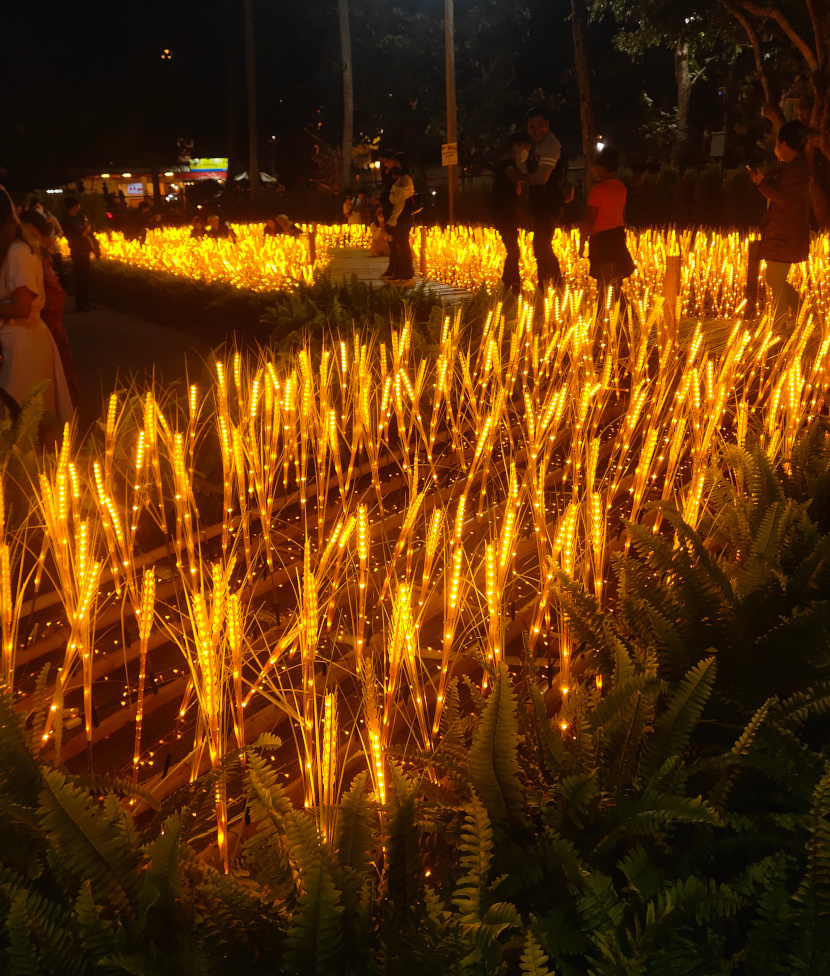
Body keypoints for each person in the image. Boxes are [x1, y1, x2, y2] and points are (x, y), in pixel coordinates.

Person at [0, 187, 73, 427]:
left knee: (29, 422)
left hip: (23, 344)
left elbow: (21, 308)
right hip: (23, 340)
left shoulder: (17, 251)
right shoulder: (15, 250)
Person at [749, 120, 811, 328]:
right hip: (783, 234)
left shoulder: (797, 170)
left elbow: (784, 199)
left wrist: (762, 183)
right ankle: (799, 313)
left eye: (778, 142)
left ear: (784, 144)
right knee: (774, 279)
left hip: (786, 235)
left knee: (774, 279)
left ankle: (781, 326)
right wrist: (764, 181)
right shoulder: (794, 167)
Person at [20, 211, 80, 407]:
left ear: (45, 239)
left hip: (48, 327)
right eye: (26, 235)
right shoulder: (25, 259)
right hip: (36, 330)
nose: (31, 241)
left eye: (35, 236)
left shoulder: (38, 261)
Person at [579, 146, 635, 318]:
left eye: (596, 165)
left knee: (605, 282)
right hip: (617, 236)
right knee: (614, 280)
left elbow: (590, 218)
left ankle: (603, 319)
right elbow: (622, 212)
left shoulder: (598, 190)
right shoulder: (621, 187)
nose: (595, 169)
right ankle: (627, 316)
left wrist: (582, 242)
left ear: (602, 167)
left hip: (602, 240)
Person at [525, 107, 565, 291]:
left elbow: (541, 178)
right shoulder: (535, 145)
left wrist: (521, 178)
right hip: (540, 204)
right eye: (532, 127)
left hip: (548, 204)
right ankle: (552, 285)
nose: (536, 130)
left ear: (547, 125)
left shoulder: (550, 144)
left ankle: (549, 286)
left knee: (542, 246)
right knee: (542, 246)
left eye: (540, 125)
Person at [491, 133, 532, 295]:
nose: (525, 152)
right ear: (515, 145)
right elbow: (510, 196)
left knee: (513, 251)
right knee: (514, 251)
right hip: (504, 215)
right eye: (525, 148)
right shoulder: (507, 166)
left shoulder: (508, 165)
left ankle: (509, 286)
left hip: (505, 215)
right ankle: (510, 287)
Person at [382, 153, 415, 286]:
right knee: (399, 245)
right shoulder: (400, 178)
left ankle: (408, 275)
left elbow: (400, 202)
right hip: (399, 216)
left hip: (403, 217)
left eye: (395, 163)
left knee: (403, 245)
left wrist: (392, 219)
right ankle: (401, 273)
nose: (392, 165)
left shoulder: (405, 179)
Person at [61, 196, 95, 312]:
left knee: (86, 278)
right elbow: (76, 236)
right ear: (74, 206)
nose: (80, 207)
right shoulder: (67, 220)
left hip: (84, 251)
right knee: (80, 278)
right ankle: (80, 305)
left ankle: (87, 302)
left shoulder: (78, 219)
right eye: (78, 205)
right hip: (77, 251)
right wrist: (86, 230)